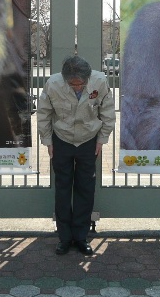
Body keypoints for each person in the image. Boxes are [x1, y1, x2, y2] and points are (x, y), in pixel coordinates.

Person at [37, 55, 116, 255]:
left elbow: (107, 112)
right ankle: (64, 237)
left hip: (89, 141)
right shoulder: (52, 84)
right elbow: (44, 113)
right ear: (65, 80)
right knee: (63, 188)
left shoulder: (100, 81)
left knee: (85, 187)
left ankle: (81, 236)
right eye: (73, 85)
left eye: (81, 84)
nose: (78, 88)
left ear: (88, 78)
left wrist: (101, 140)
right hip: (61, 139)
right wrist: (47, 141)